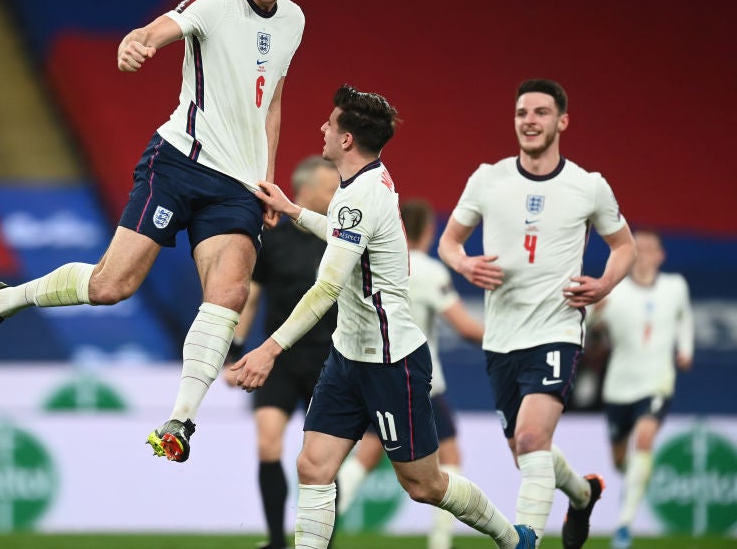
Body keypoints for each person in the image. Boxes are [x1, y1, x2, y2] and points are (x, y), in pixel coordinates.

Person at [0, 0, 318, 463]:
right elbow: (164, 26)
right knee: (111, 285)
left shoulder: (293, 22)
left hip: (236, 187)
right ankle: (2, 301)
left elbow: (273, 103)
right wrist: (138, 39)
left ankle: (180, 422)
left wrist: (265, 178)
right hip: (179, 163)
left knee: (231, 292)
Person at [232, 84, 537, 549]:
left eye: (330, 123)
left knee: (424, 485)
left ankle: (513, 538)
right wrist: (293, 210)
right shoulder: (361, 183)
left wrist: (269, 349)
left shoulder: (360, 196)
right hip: (346, 355)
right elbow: (342, 234)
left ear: (347, 139)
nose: (323, 128)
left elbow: (328, 286)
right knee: (313, 465)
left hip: (389, 361)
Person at [437, 78, 637, 548]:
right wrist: (465, 264)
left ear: (562, 121)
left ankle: (525, 539)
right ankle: (583, 495)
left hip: (558, 331)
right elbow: (449, 242)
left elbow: (623, 246)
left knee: (530, 440)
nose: (530, 120)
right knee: (524, 451)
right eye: (522, 112)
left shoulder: (588, 187)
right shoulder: (488, 178)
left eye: (541, 113)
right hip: (500, 337)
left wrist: (605, 282)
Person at [336, 198, 485, 549]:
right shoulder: (431, 271)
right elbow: (464, 327)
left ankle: (318, 524)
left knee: (366, 457)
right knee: (450, 460)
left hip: (379, 377)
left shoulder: (383, 263)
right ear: (430, 231)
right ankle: (439, 541)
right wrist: (507, 340)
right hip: (421, 382)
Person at [226, 155, 340, 549]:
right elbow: (251, 298)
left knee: (323, 458)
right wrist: (235, 351)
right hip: (279, 359)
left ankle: (321, 542)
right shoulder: (272, 238)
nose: (337, 195)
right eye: (330, 189)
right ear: (304, 191)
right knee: (267, 443)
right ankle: (276, 541)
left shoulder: (339, 238)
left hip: (329, 362)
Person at [588, 230, 693, 549]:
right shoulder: (615, 292)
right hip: (619, 386)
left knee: (645, 438)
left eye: (651, 248)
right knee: (621, 459)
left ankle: (624, 525)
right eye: (640, 249)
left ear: (661, 255)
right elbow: (587, 324)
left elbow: (684, 318)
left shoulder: (675, 287)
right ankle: (632, 475)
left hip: (657, 381)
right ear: (631, 255)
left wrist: (686, 349)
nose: (645, 254)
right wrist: (594, 313)